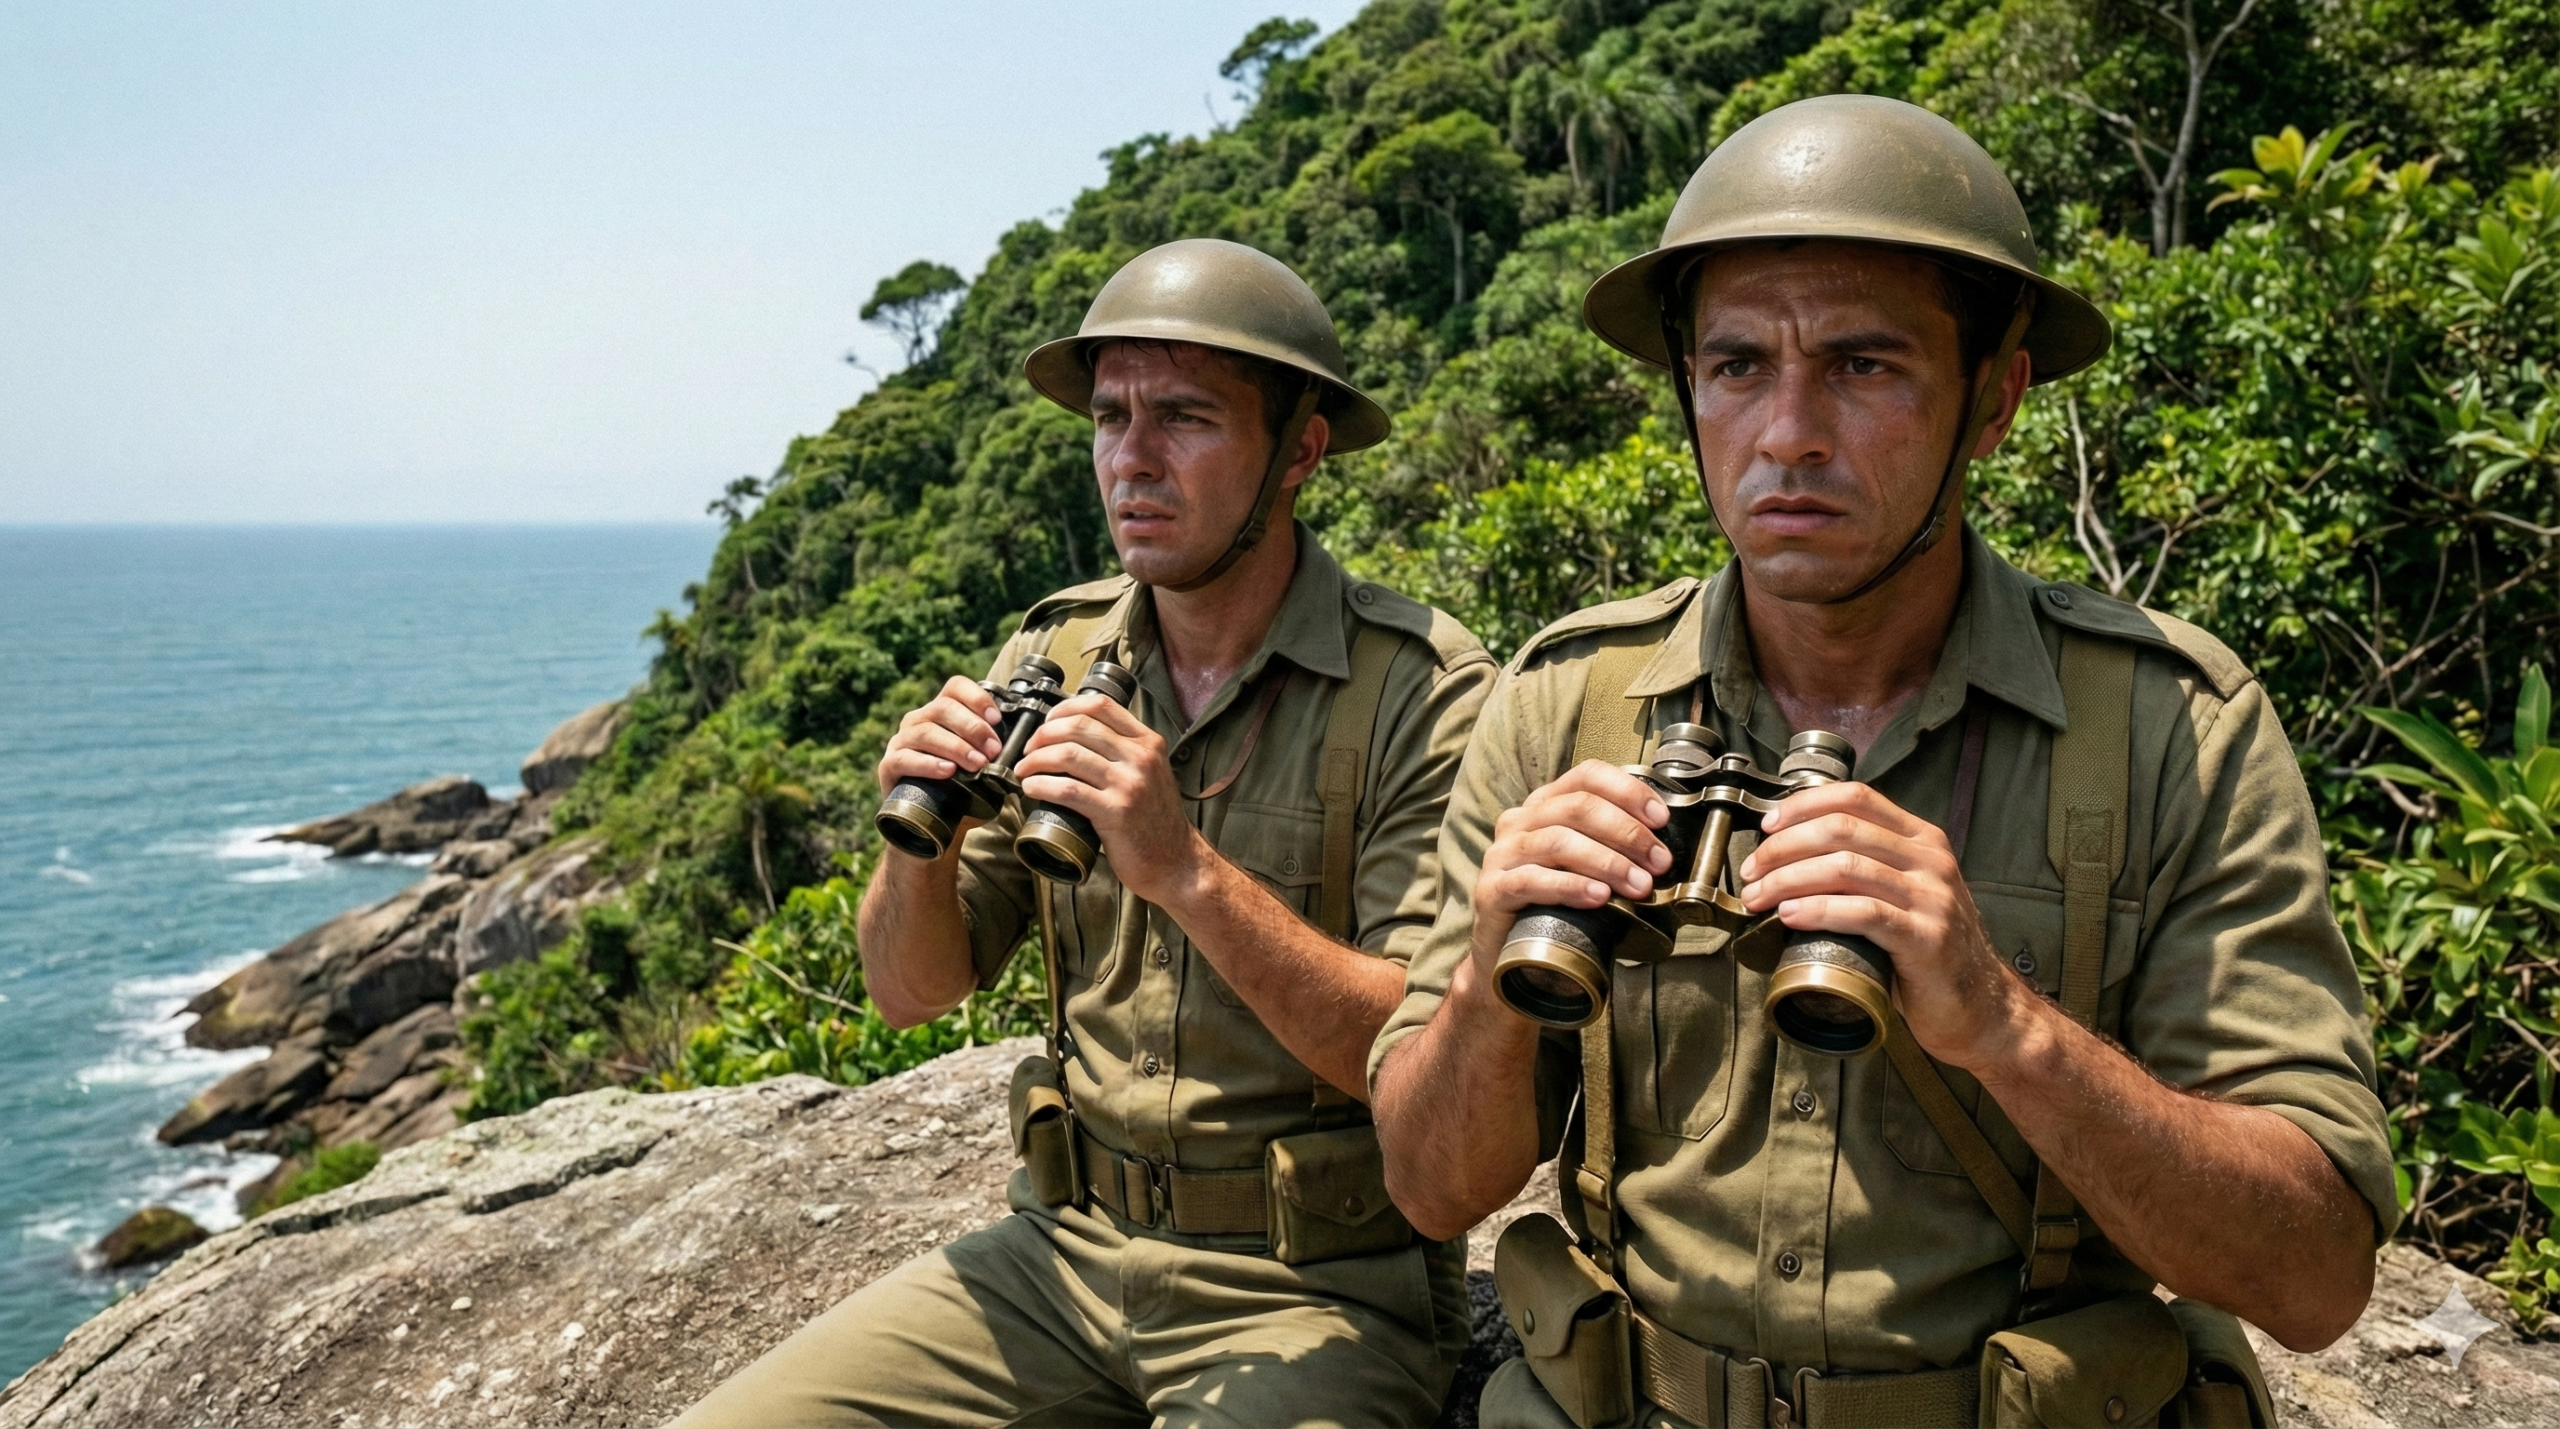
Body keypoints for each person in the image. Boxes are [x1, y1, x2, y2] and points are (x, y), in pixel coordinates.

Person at [1369, 96, 2394, 1429]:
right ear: (1689, 390)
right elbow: (1428, 1184)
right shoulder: (1568, 703)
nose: (1787, 432)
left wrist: (2003, 1022)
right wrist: (1490, 988)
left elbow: (2313, 1277)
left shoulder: (2168, 729)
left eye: (1863, 366)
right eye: (1736, 366)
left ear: (1994, 399)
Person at [675, 238, 1495, 1428]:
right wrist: (921, 841)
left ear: (1300, 451)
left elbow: (1416, 1061)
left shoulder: (1416, 688)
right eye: (1110, 418)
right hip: (1060, 1249)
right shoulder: (1052, 657)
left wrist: (1186, 872)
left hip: (1313, 1286)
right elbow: (914, 993)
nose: (1132, 460)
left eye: (1186, 418)